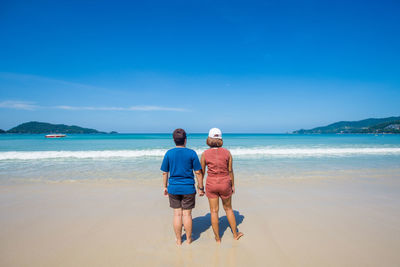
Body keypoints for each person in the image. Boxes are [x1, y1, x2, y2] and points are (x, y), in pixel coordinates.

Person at [161, 128, 205, 245]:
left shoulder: (169, 153)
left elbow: (165, 172)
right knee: (187, 214)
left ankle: (179, 240)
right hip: (188, 188)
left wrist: (165, 186)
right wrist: (201, 188)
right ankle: (189, 239)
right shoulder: (191, 153)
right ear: (185, 140)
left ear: (174, 140)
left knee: (177, 214)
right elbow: (198, 172)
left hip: (174, 188)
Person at [200, 128, 244, 243]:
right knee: (228, 209)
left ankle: (217, 238)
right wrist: (233, 185)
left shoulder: (204, 154)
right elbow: (230, 171)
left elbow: (202, 172)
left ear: (209, 139)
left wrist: (201, 187)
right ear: (220, 139)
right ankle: (235, 234)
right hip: (225, 183)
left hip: (211, 183)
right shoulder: (227, 152)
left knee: (214, 211)